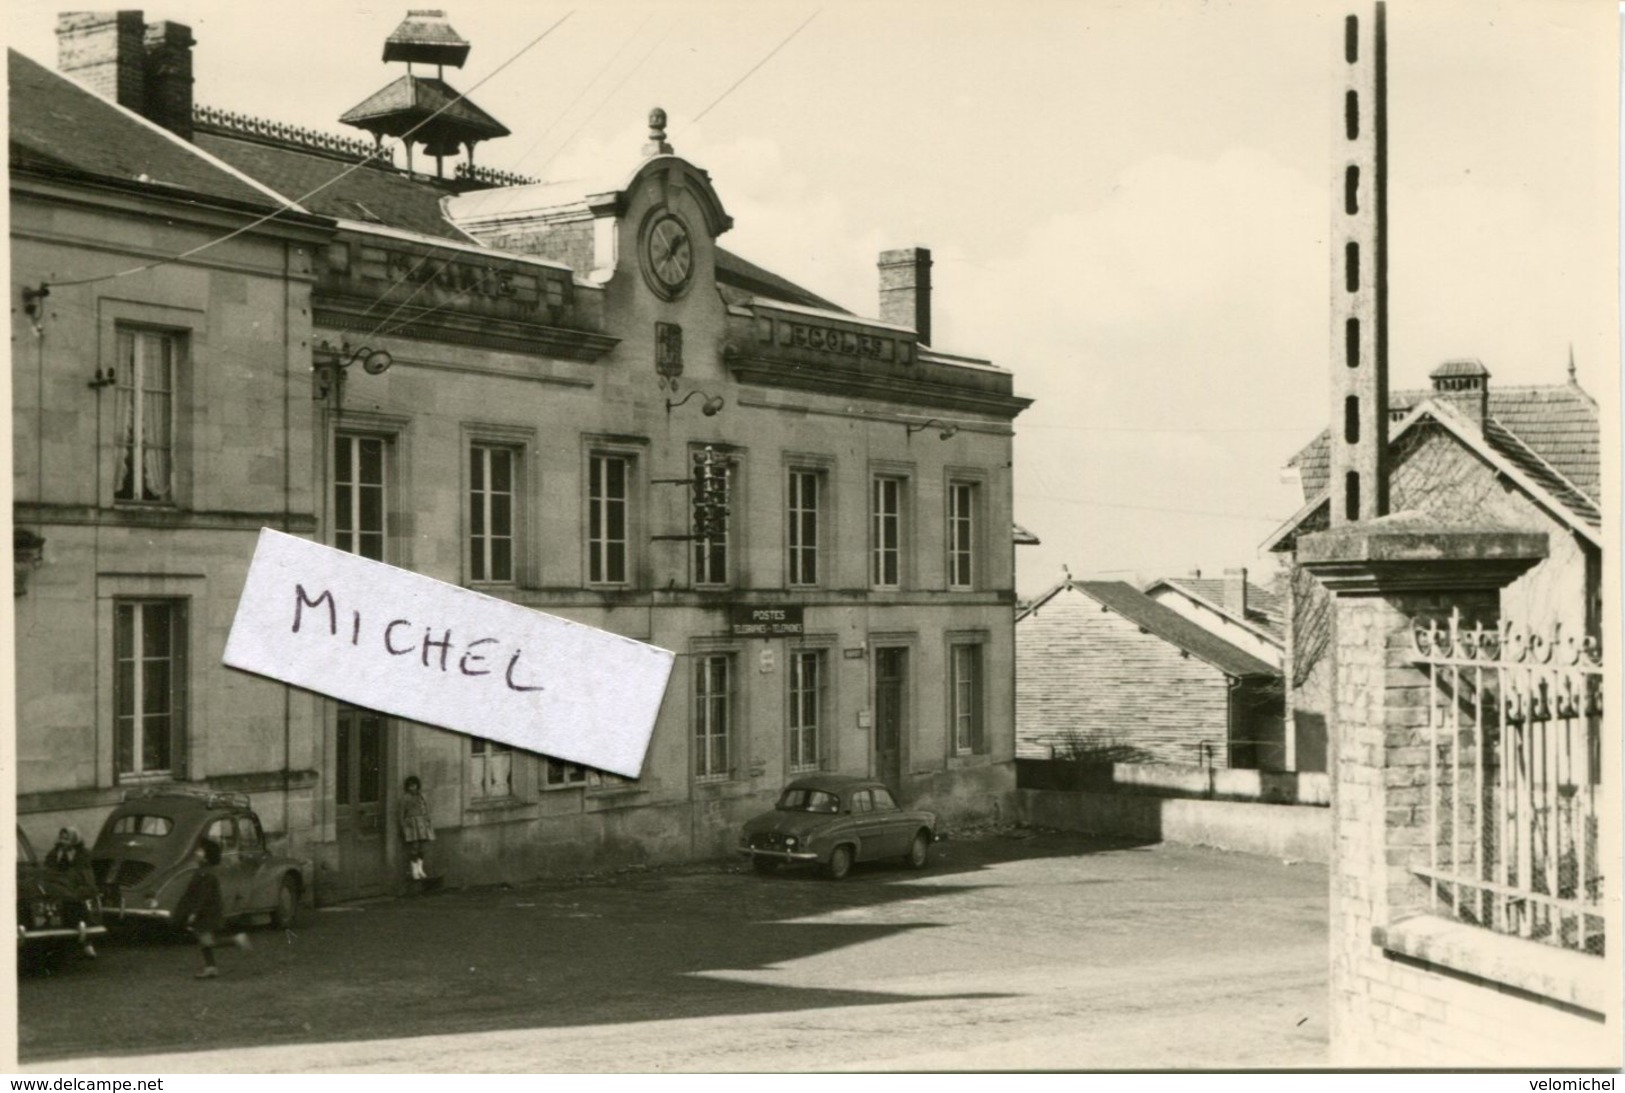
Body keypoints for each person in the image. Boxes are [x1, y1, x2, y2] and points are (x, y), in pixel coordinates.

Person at [172, 837, 250, 979]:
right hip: (206, 911)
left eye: (200, 850)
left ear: (207, 856)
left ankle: (235, 939)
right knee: (202, 939)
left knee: (207, 940)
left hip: (206, 912)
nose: (196, 852)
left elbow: (203, 895)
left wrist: (194, 913)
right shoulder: (203, 871)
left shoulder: (205, 873)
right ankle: (211, 967)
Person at [43, 826, 99, 958]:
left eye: (67, 838)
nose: (63, 841)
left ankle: (87, 942)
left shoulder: (83, 854)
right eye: (62, 838)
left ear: (74, 839)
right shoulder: (54, 853)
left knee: (74, 902)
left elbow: (86, 875)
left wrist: (76, 885)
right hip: (57, 885)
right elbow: (47, 871)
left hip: (78, 885)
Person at [399, 775, 434, 881]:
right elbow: (401, 813)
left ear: (417, 786)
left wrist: (428, 822)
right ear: (407, 787)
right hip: (412, 825)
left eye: (414, 786)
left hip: (422, 824)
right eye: (410, 786)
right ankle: (414, 871)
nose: (412, 788)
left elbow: (426, 810)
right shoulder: (405, 798)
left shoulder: (421, 797)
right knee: (414, 847)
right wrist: (403, 826)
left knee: (422, 847)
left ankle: (420, 869)